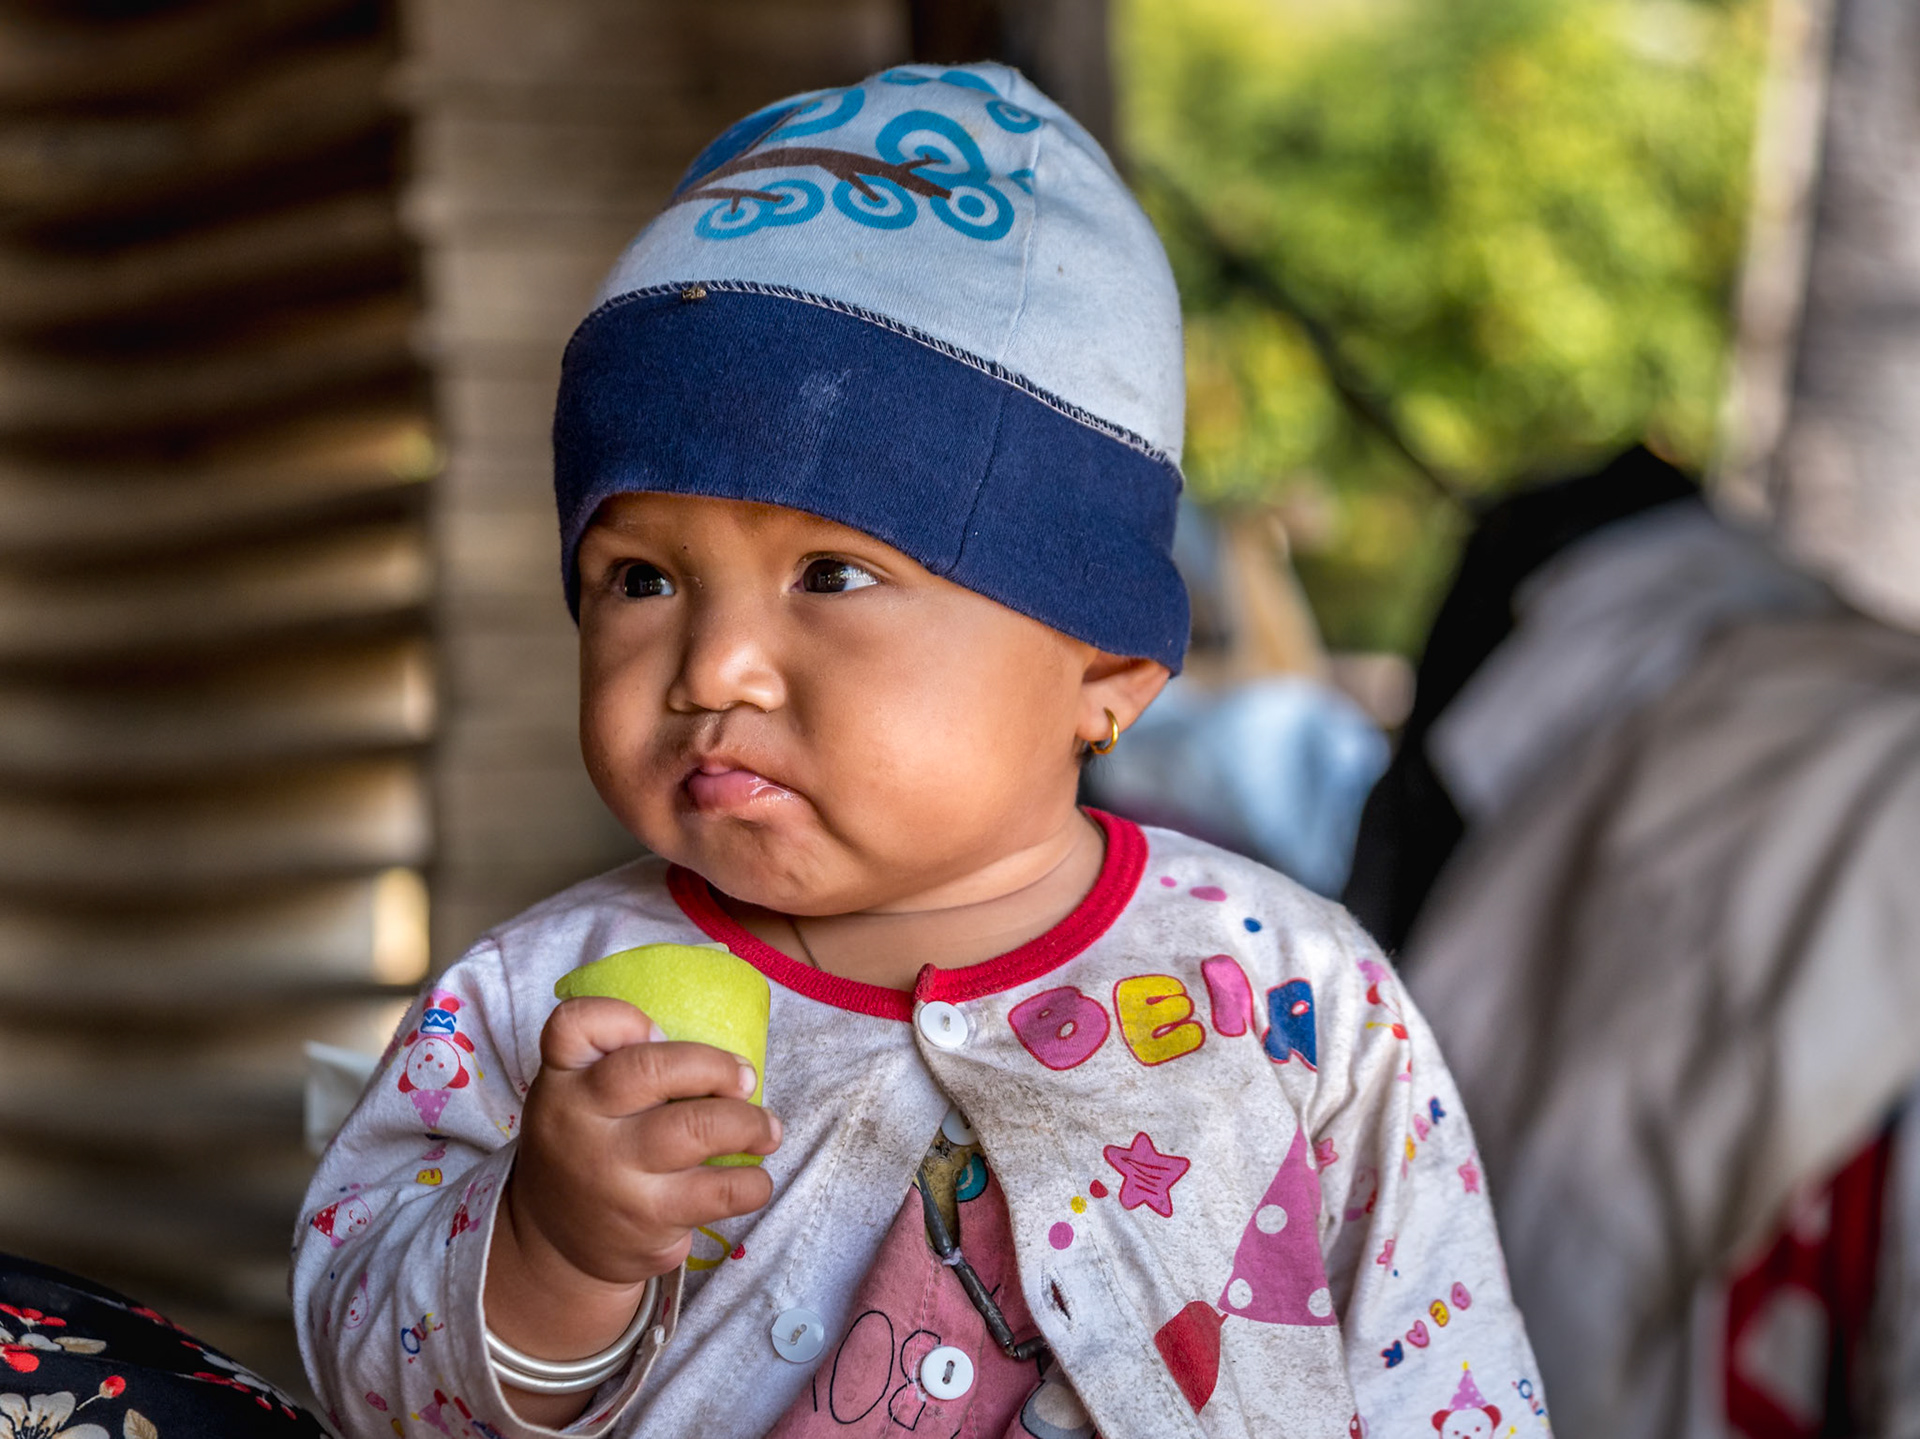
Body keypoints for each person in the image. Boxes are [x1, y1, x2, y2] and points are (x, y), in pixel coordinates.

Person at [292, 64, 1544, 1439]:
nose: (714, 666)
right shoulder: (539, 1010)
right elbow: (363, 1385)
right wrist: (547, 1256)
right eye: (640, 578)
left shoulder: (1296, 997)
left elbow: (1454, 1388)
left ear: (1105, 672)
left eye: (830, 575)